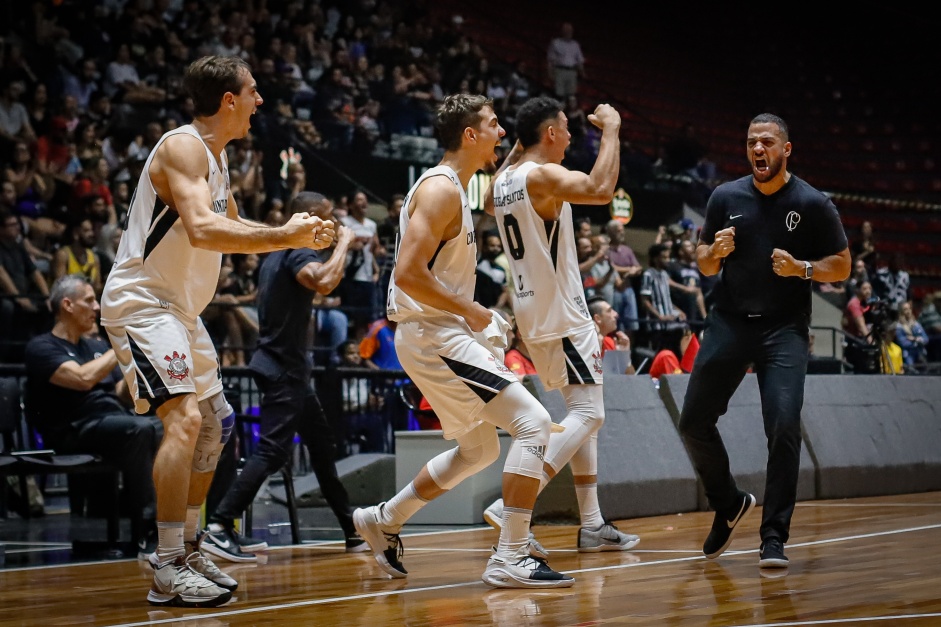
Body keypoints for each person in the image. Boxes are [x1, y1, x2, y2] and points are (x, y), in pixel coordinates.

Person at [99, 56, 334, 608]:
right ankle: (167, 562)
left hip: (180, 311)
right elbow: (204, 231)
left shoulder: (218, 160)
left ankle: (191, 544)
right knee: (182, 419)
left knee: (218, 425)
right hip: (144, 302)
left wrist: (290, 232)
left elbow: (227, 228)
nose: (259, 101)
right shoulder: (183, 146)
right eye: (252, 92)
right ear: (228, 99)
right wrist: (284, 235)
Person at [353, 94, 572, 589]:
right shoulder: (440, 190)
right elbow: (408, 273)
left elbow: (496, 189)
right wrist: (474, 311)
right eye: (494, 126)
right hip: (434, 335)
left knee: (477, 451)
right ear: (470, 135)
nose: (500, 133)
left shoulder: (459, 187)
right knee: (533, 423)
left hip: (434, 333)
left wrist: (517, 150)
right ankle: (511, 555)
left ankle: (383, 519)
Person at [677, 113, 850, 570]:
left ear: (785, 150)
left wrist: (804, 269)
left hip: (784, 330)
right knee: (693, 421)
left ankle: (773, 536)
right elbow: (704, 264)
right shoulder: (724, 196)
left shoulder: (812, 203)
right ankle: (729, 502)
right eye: (752, 142)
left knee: (784, 426)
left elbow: (843, 265)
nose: (758, 149)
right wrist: (713, 253)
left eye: (767, 142)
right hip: (729, 322)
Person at [483, 96, 640, 553]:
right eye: (566, 129)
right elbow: (601, 188)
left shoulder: (505, 182)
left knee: (580, 414)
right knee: (592, 414)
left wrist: (517, 144)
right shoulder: (543, 176)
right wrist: (611, 129)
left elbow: (493, 201)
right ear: (549, 134)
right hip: (562, 312)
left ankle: (591, 522)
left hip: (534, 314)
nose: (572, 136)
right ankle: (511, 502)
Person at [201, 191, 367, 561]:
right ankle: (218, 525)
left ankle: (351, 530)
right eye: (326, 218)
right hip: (284, 368)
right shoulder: (297, 251)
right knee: (272, 450)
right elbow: (323, 281)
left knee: (322, 450)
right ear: (307, 217)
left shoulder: (275, 253)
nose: (332, 226)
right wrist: (344, 246)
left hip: (288, 367)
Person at [23, 275, 163, 557]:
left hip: (110, 421)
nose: (96, 307)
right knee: (139, 430)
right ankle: (148, 530)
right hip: (71, 430)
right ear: (67, 305)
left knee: (167, 425)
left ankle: (170, 521)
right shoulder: (41, 347)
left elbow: (121, 394)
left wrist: (138, 370)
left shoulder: (95, 347)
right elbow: (82, 379)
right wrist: (122, 345)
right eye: (89, 300)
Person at [546, 22, 584, 99]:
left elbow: (579, 61)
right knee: (559, 95)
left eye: (570, 30)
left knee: (571, 96)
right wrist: (550, 73)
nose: (569, 32)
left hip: (572, 71)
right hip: (559, 71)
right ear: (562, 31)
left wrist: (582, 73)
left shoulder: (575, 44)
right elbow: (550, 60)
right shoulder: (556, 43)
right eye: (566, 30)